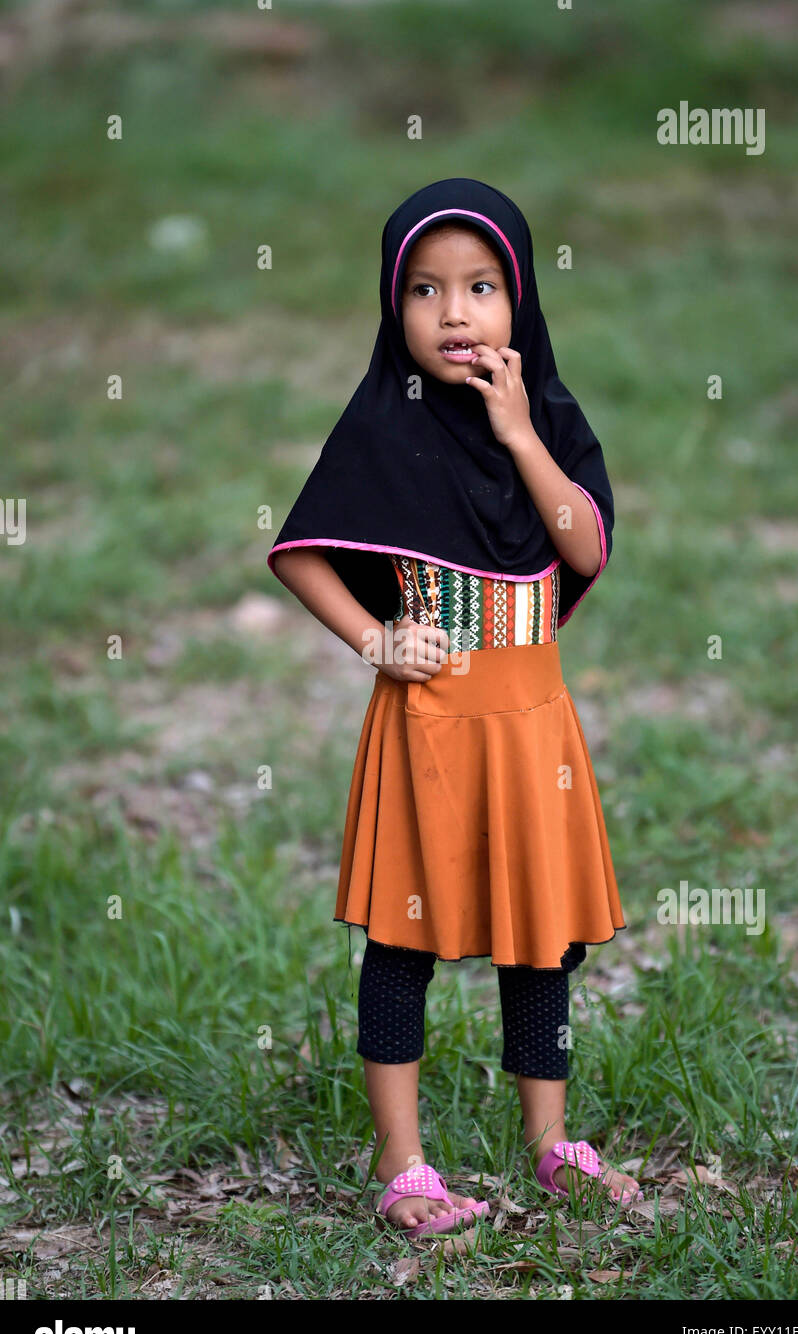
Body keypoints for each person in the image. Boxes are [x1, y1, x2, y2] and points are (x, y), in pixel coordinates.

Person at [268, 177, 643, 1239]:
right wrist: (376, 639)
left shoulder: (551, 421)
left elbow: (584, 545)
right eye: (425, 291)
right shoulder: (387, 428)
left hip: (534, 734)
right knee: (404, 941)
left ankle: (551, 1144)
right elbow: (301, 552)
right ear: (394, 307)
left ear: (519, 299)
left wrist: (522, 435)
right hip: (428, 728)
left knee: (542, 942)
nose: (454, 313)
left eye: (481, 287)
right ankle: (402, 1164)